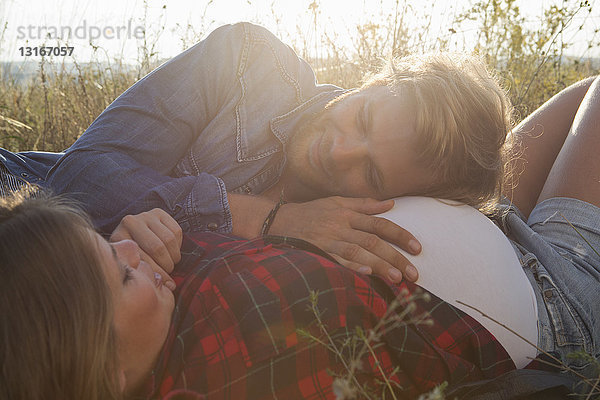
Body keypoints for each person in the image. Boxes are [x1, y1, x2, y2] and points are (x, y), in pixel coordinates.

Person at [0, 22, 513, 284]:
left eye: (373, 175)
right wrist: (266, 218)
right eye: (362, 117)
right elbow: (76, 181)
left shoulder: (355, 234)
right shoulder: (249, 64)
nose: (340, 151)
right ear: (373, 81)